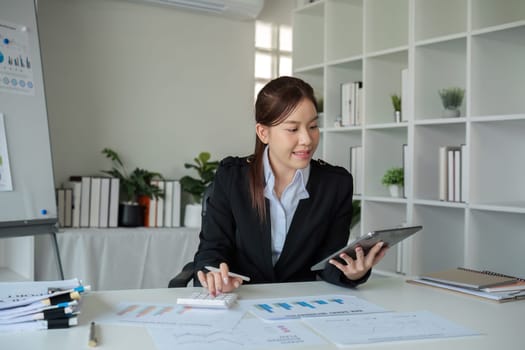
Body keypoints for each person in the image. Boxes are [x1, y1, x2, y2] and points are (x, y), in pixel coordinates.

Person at [193, 76, 387, 296]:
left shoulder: (336, 184)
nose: (307, 139)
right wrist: (216, 278)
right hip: (241, 299)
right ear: (263, 133)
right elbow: (211, 251)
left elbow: (327, 263)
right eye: (293, 129)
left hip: (302, 302)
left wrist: (352, 273)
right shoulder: (232, 177)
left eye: (313, 126)